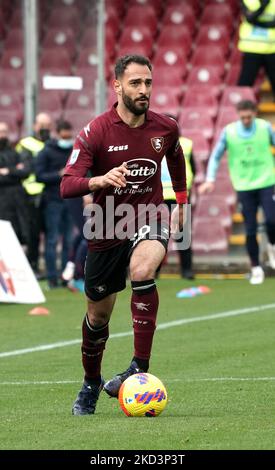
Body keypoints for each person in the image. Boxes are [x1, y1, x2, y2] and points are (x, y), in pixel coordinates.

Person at [60, 54, 187, 415]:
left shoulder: (165, 127)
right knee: (98, 317)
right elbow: (67, 184)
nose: (144, 89)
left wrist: (181, 201)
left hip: (150, 215)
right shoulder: (96, 131)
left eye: (148, 82)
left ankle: (138, 367)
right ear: (117, 85)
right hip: (105, 226)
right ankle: (90, 384)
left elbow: (175, 158)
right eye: (135, 83)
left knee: (143, 271)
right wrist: (97, 180)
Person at [199, 100, 275, 285]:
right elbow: (216, 155)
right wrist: (210, 179)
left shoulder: (265, 127)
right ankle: (256, 268)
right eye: (243, 117)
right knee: (250, 228)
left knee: (272, 220)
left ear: (255, 113)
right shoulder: (230, 132)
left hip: (267, 181)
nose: (246, 120)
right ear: (238, 115)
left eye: (249, 117)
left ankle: (273, 246)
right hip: (243, 186)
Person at [36, 120, 74, 289]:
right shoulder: (47, 151)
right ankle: (52, 278)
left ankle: (65, 277)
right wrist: (59, 175)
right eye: (64, 133)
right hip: (52, 200)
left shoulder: (75, 150)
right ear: (58, 133)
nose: (67, 137)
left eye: (69, 133)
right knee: (52, 240)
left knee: (69, 240)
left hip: (71, 200)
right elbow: (39, 175)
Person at [16, 112, 53, 273]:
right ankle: (33, 266)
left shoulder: (53, 144)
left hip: (50, 193)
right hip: (31, 194)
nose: (44, 128)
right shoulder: (26, 144)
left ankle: (50, 270)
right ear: (34, 126)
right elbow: (24, 168)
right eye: (41, 125)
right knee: (33, 234)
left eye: (47, 125)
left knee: (51, 234)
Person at [162, 134, 195, 279]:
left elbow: (193, 169)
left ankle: (187, 270)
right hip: (159, 196)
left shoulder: (186, 144)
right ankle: (153, 271)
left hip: (179, 197)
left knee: (183, 235)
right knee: (156, 235)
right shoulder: (153, 144)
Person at [0, 122, 31, 245]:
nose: (3, 135)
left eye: (5, 132)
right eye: (0, 132)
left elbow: (25, 172)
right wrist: (15, 171)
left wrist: (7, 171)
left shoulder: (15, 153)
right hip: (2, 201)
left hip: (18, 200)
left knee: (19, 234)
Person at [238, 0, 275, 96]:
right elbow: (249, 18)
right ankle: (241, 109)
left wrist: (256, 20)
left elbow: (252, 19)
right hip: (251, 49)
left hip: (272, 50)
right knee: (245, 84)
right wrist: (263, 6)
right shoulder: (248, 1)